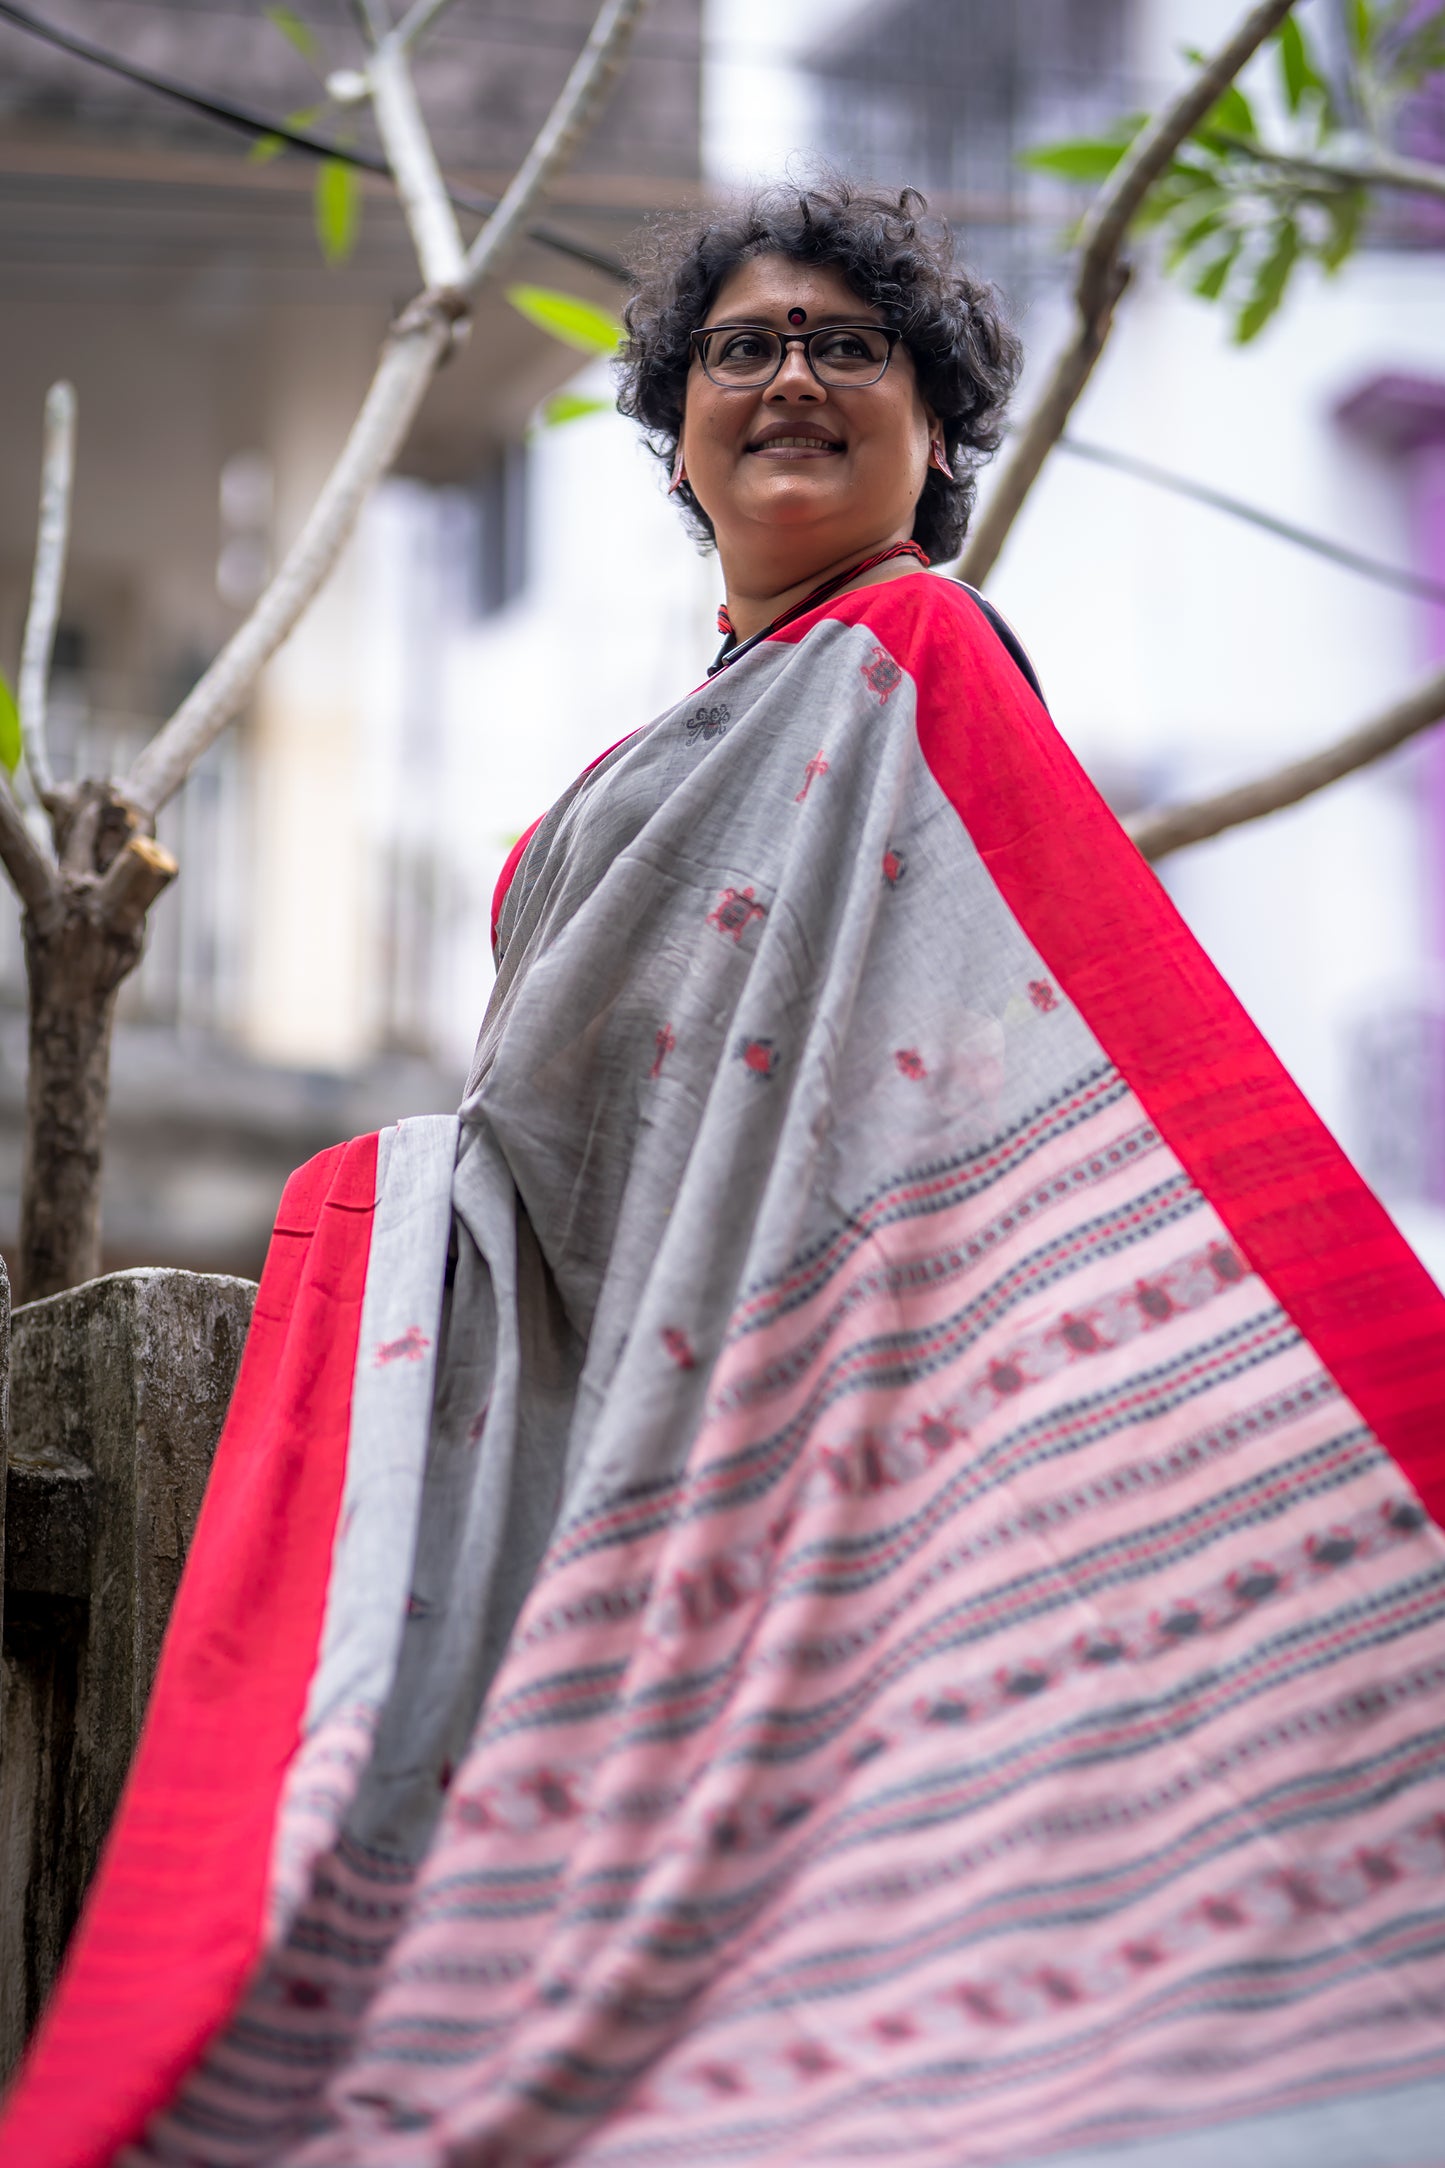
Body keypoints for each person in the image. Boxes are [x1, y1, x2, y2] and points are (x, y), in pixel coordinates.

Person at [7, 177, 1445, 2168]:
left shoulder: (918, 665)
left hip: (839, 1406)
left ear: (934, 433)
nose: (788, 376)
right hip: (605, 1426)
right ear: (678, 435)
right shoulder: (630, 772)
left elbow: (1041, 1077)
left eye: (849, 346)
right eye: (741, 348)